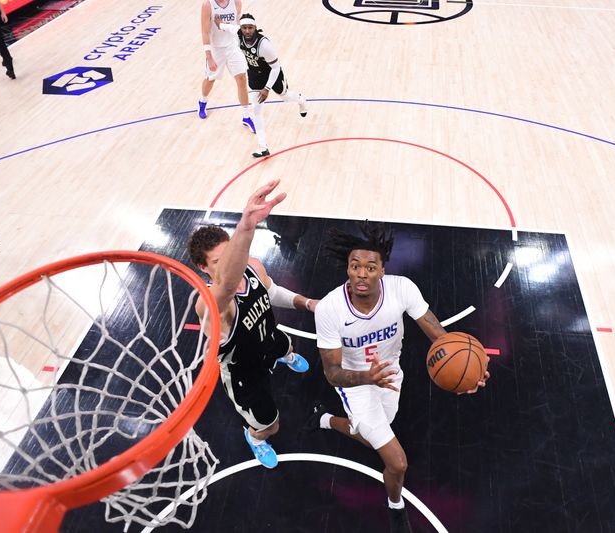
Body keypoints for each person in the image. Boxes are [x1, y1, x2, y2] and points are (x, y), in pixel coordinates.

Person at [311, 221, 489, 533]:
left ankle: (325, 420)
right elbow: (332, 374)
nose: (362, 274)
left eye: (370, 267)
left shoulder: (402, 288)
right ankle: (395, 506)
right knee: (397, 462)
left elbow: (438, 334)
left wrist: (469, 370)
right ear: (348, 269)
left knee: (376, 430)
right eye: (355, 266)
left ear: (382, 269)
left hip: (391, 372)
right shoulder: (328, 310)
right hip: (356, 384)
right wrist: (367, 377)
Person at [188, 179, 318, 469]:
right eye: (218, 262)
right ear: (203, 267)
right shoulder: (210, 304)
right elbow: (226, 284)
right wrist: (246, 226)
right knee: (271, 425)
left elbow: (272, 292)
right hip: (244, 372)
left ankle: (285, 357)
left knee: (286, 346)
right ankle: (255, 438)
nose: (230, 264)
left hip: (267, 338)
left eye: (231, 253)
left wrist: (307, 302)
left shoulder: (254, 265)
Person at [214, 13, 308, 158]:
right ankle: (263, 147)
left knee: (286, 97)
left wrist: (267, 88)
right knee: (256, 109)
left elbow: (276, 68)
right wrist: (219, 24)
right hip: (255, 75)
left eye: (250, 28)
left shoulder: (264, 45)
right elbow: (226, 27)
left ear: (255, 28)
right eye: (244, 27)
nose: (247, 31)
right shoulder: (238, 33)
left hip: (272, 74)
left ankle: (301, 99)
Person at [198, 0, 255, 134]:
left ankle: (246, 116)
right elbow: (205, 32)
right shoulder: (207, 5)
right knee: (211, 79)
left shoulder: (236, 2)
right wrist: (209, 56)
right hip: (216, 49)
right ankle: (203, 101)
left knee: (242, 79)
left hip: (232, 47)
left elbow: (237, 23)